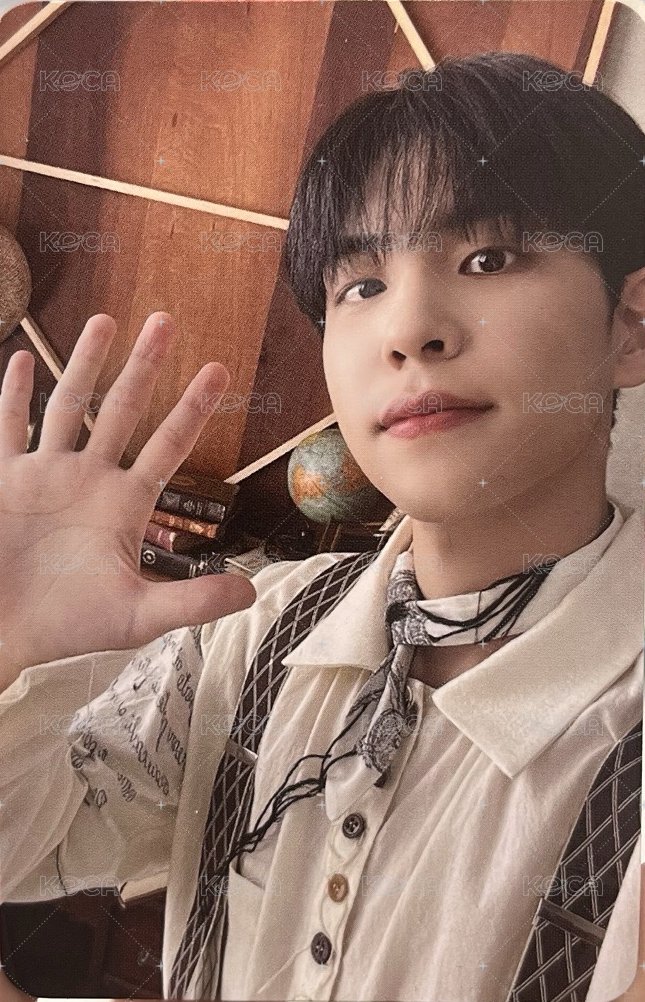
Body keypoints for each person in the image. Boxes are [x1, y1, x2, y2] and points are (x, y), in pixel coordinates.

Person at [0, 50, 643, 1002]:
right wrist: (9, 646)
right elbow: (28, 849)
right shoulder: (259, 629)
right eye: (361, 286)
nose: (408, 329)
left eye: (487, 259)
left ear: (629, 326)